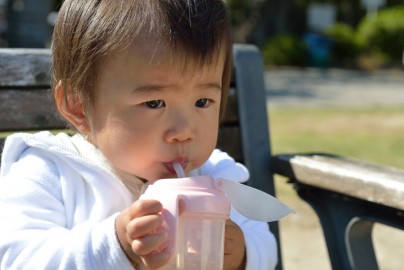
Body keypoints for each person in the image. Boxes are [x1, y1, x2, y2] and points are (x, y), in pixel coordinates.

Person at [0, 0, 277, 269]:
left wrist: (241, 254)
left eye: (202, 102)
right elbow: (16, 260)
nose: (183, 132)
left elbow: (263, 244)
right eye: (154, 103)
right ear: (79, 106)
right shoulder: (50, 173)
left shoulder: (217, 175)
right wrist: (116, 245)